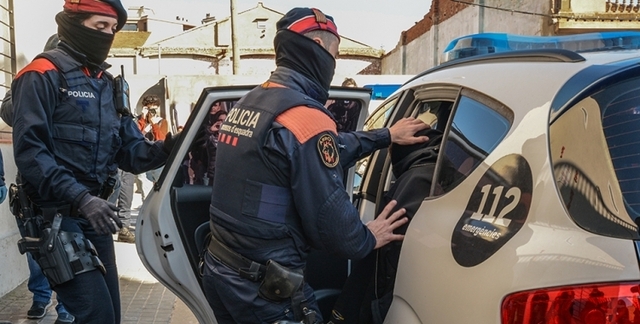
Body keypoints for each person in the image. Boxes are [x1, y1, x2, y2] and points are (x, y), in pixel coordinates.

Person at [203, 7, 429, 324]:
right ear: (321, 50)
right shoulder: (306, 118)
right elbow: (333, 224)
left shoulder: (250, 102)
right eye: (334, 56)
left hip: (220, 270)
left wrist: (386, 135)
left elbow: (327, 148)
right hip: (266, 290)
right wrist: (368, 238)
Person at [11, 1, 175, 323]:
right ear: (73, 22)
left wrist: (172, 145)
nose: (108, 36)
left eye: (113, 30)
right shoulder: (41, 74)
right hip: (55, 216)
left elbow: (132, 153)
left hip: (94, 216)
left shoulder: (106, 84)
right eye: (100, 27)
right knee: (96, 314)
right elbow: (30, 152)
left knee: (110, 315)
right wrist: (82, 199)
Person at [330, 126, 459, 323]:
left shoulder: (413, 181)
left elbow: (387, 257)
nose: (390, 157)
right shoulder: (451, 178)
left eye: (390, 151)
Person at [1, 33, 76, 324]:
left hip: (67, 182)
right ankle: (41, 297)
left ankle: (67, 307)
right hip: (33, 183)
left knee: (67, 247)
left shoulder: (80, 85)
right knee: (36, 245)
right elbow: (7, 110)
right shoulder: (29, 78)